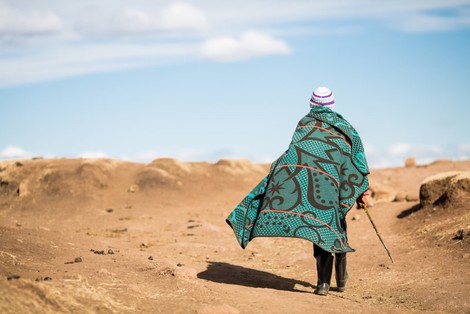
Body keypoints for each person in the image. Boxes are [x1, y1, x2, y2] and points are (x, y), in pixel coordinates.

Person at [226, 86, 369, 296]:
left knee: (318, 224)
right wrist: (362, 192)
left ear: (312, 104)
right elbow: (357, 160)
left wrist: (278, 169)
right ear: (332, 105)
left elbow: (294, 151)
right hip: (332, 181)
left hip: (308, 180)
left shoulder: (305, 123)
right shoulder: (345, 128)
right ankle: (341, 279)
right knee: (334, 223)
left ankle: (323, 285)